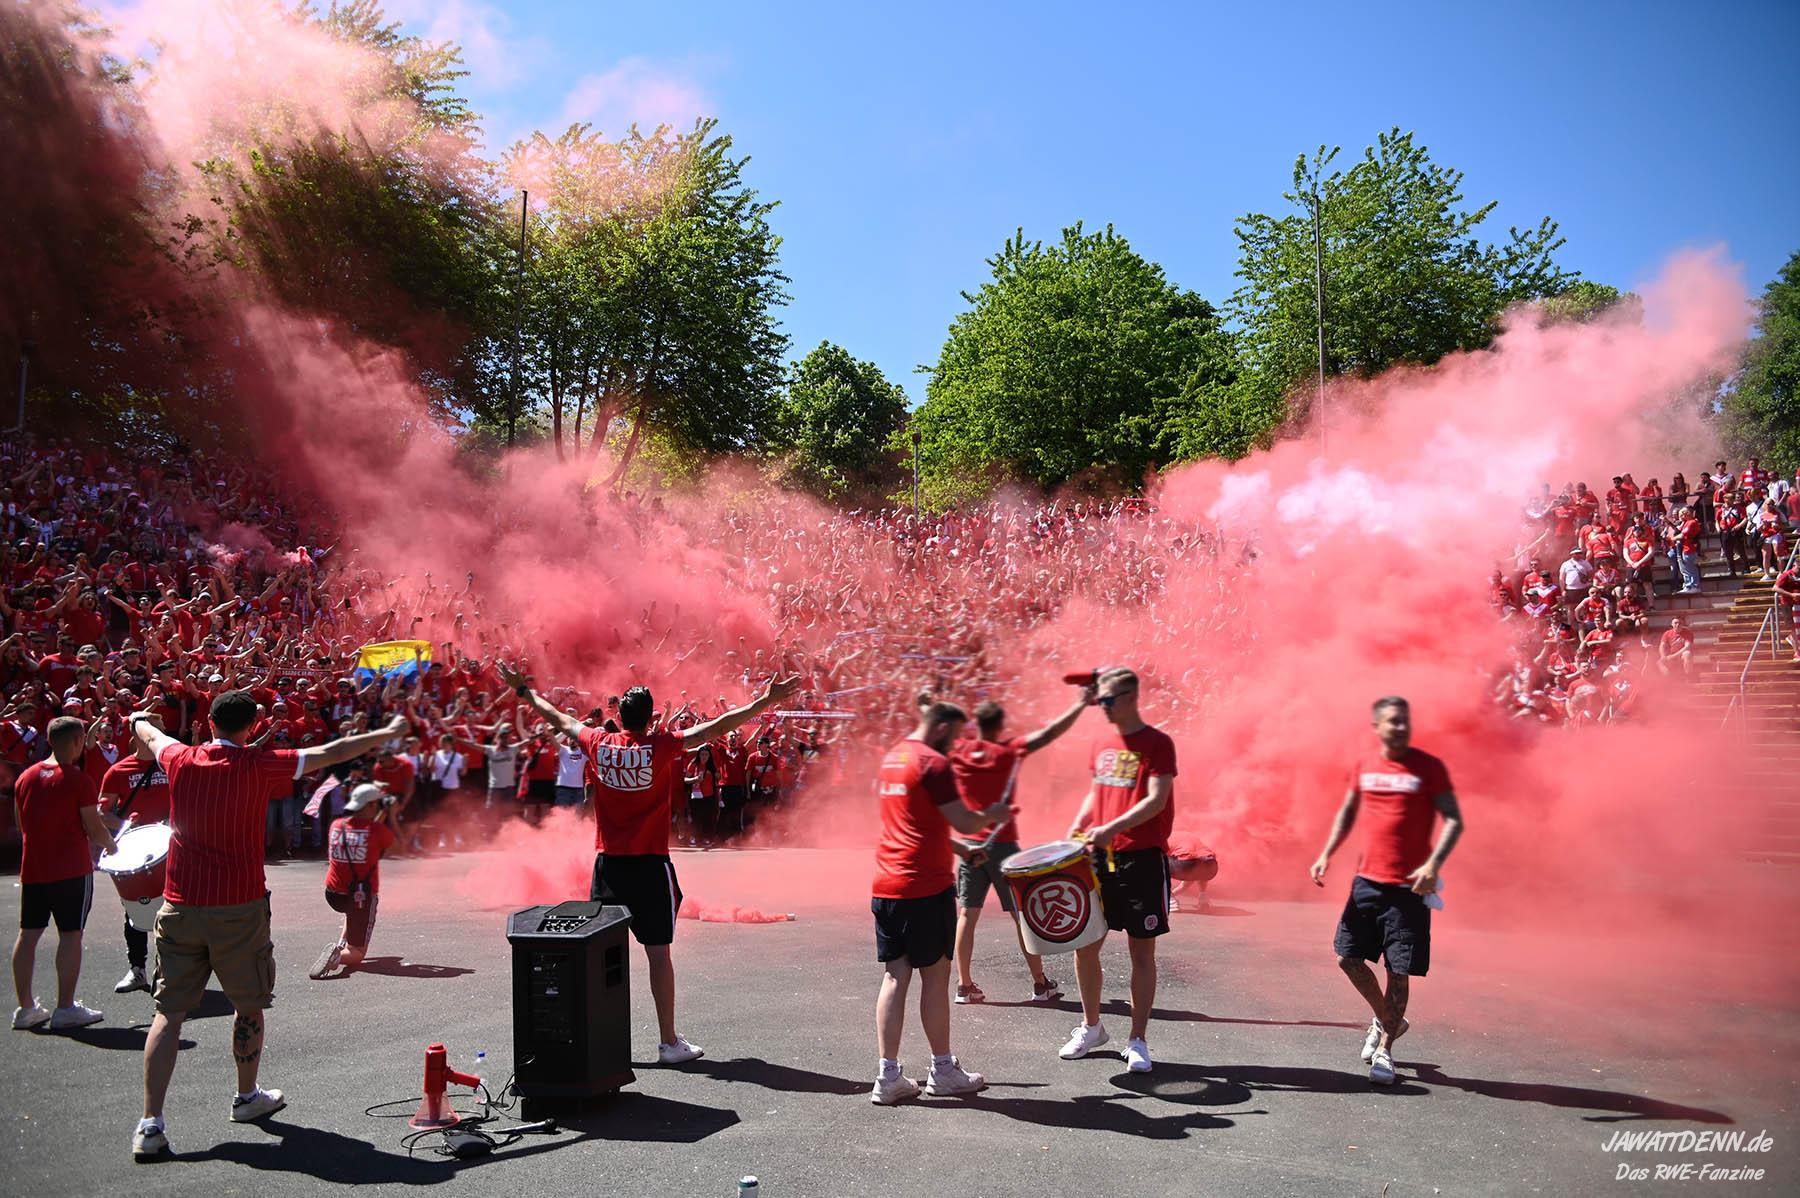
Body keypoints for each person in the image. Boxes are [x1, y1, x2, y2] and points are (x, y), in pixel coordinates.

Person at [124, 692, 407, 1161]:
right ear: (252, 727)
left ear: (209, 722)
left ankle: (151, 1123)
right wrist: (386, 734)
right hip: (239, 908)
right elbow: (328, 753)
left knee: (168, 1012)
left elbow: (151, 734)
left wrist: (136, 717)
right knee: (249, 1003)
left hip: (181, 905)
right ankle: (246, 1096)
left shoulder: (180, 758)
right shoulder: (259, 765)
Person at [502, 661, 799, 1066]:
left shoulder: (597, 743)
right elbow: (715, 727)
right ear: (651, 719)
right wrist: (764, 702)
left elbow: (557, 718)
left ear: (619, 718)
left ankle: (597, 1041)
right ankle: (668, 1042)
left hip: (608, 866)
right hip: (650, 866)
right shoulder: (660, 746)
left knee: (600, 954)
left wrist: (523, 693)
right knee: (658, 954)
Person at [1310, 697, 1464, 1085]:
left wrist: (1433, 865)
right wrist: (1327, 853)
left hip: (1408, 888)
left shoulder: (1428, 768)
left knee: (1399, 970)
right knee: (1347, 958)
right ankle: (1387, 1019)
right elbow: (1348, 811)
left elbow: (1453, 821)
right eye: (1392, 722)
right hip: (1367, 882)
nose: (1400, 727)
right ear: (1376, 726)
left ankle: (1385, 1051)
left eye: (1405, 721)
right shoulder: (1365, 765)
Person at [869, 699, 1010, 1104]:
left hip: (887, 884)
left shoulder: (893, 757)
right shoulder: (935, 764)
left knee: (895, 976)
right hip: (925, 888)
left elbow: (912, 820)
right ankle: (943, 1070)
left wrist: (960, 849)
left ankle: (888, 1076)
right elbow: (966, 819)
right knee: (935, 977)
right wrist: (993, 814)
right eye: (957, 735)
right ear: (945, 728)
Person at [1061, 667, 1177, 1074]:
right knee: (1085, 944)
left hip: (1141, 858)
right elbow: (1097, 792)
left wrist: (1111, 828)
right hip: (1098, 858)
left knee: (1141, 952)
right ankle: (1091, 1027)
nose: (1102, 708)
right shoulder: (1100, 743)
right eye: (1099, 702)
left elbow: (1157, 799)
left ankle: (1138, 1039)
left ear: (1129, 698)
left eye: (1107, 701)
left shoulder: (1158, 744)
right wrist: (1078, 827)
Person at [947, 685, 1092, 1005]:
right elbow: (1050, 733)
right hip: (1002, 845)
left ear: (977, 725)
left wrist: (928, 705)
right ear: (1000, 726)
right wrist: (1081, 704)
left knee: (967, 915)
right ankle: (1040, 984)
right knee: (1019, 915)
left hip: (971, 843)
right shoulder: (1008, 750)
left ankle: (963, 985)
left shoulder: (959, 751)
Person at [11, 715, 116, 1030]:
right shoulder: (78, 779)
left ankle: (26, 1007)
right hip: (70, 869)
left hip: (34, 869)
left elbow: (20, 825)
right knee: (70, 934)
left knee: (28, 935)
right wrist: (111, 845)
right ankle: (65, 1007)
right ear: (77, 741)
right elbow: (94, 828)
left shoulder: (25, 778)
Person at [99, 714, 173, 995]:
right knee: (137, 909)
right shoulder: (118, 771)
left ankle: (167, 969)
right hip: (138, 850)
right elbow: (102, 813)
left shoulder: (170, 763)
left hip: (172, 846)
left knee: (175, 912)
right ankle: (137, 969)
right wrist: (132, 827)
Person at [310, 783, 399, 978]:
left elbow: (365, 830)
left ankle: (341, 944)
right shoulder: (377, 831)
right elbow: (398, 846)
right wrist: (391, 815)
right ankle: (338, 957)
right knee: (357, 953)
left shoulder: (337, 825)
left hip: (333, 894)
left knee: (352, 911)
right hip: (360, 896)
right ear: (370, 806)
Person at [1166, 832, 1220, 913]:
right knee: (1202, 863)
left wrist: (1169, 897)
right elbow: (1192, 874)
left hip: (1188, 864)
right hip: (1211, 866)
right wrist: (1172, 894)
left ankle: (1171, 903)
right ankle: (1203, 900)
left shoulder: (1166, 838)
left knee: (1157, 862)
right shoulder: (1189, 838)